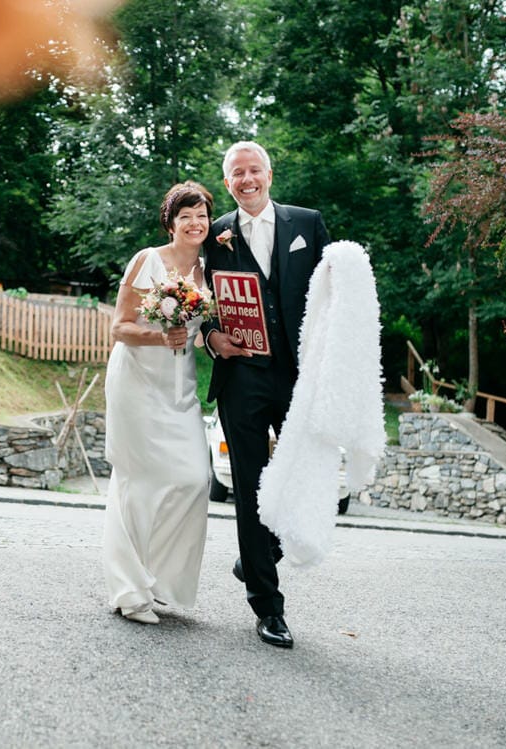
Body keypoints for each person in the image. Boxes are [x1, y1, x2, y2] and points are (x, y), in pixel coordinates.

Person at [202, 141, 330, 648]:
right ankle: (268, 608)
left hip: (299, 375)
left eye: (254, 170)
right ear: (227, 181)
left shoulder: (309, 223)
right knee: (250, 490)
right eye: (237, 173)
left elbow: (331, 297)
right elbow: (196, 295)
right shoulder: (211, 234)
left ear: (270, 174)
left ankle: (261, 552)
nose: (247, 179)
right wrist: (212, 337)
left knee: (302, 477)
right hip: (242, 377)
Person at [102, 181, 213, 624]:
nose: (194, 222)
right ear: (170, 223)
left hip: (179, 388)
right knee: (139, 481)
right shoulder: (147, 260)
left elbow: (201, 332)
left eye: (201, 214)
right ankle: (130, 592)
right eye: (184, 215)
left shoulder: (209, 271)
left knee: (195, 478)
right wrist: (158, 335)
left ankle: (161, 581)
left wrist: (213, 339)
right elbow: (119, 327)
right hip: (137, 381)